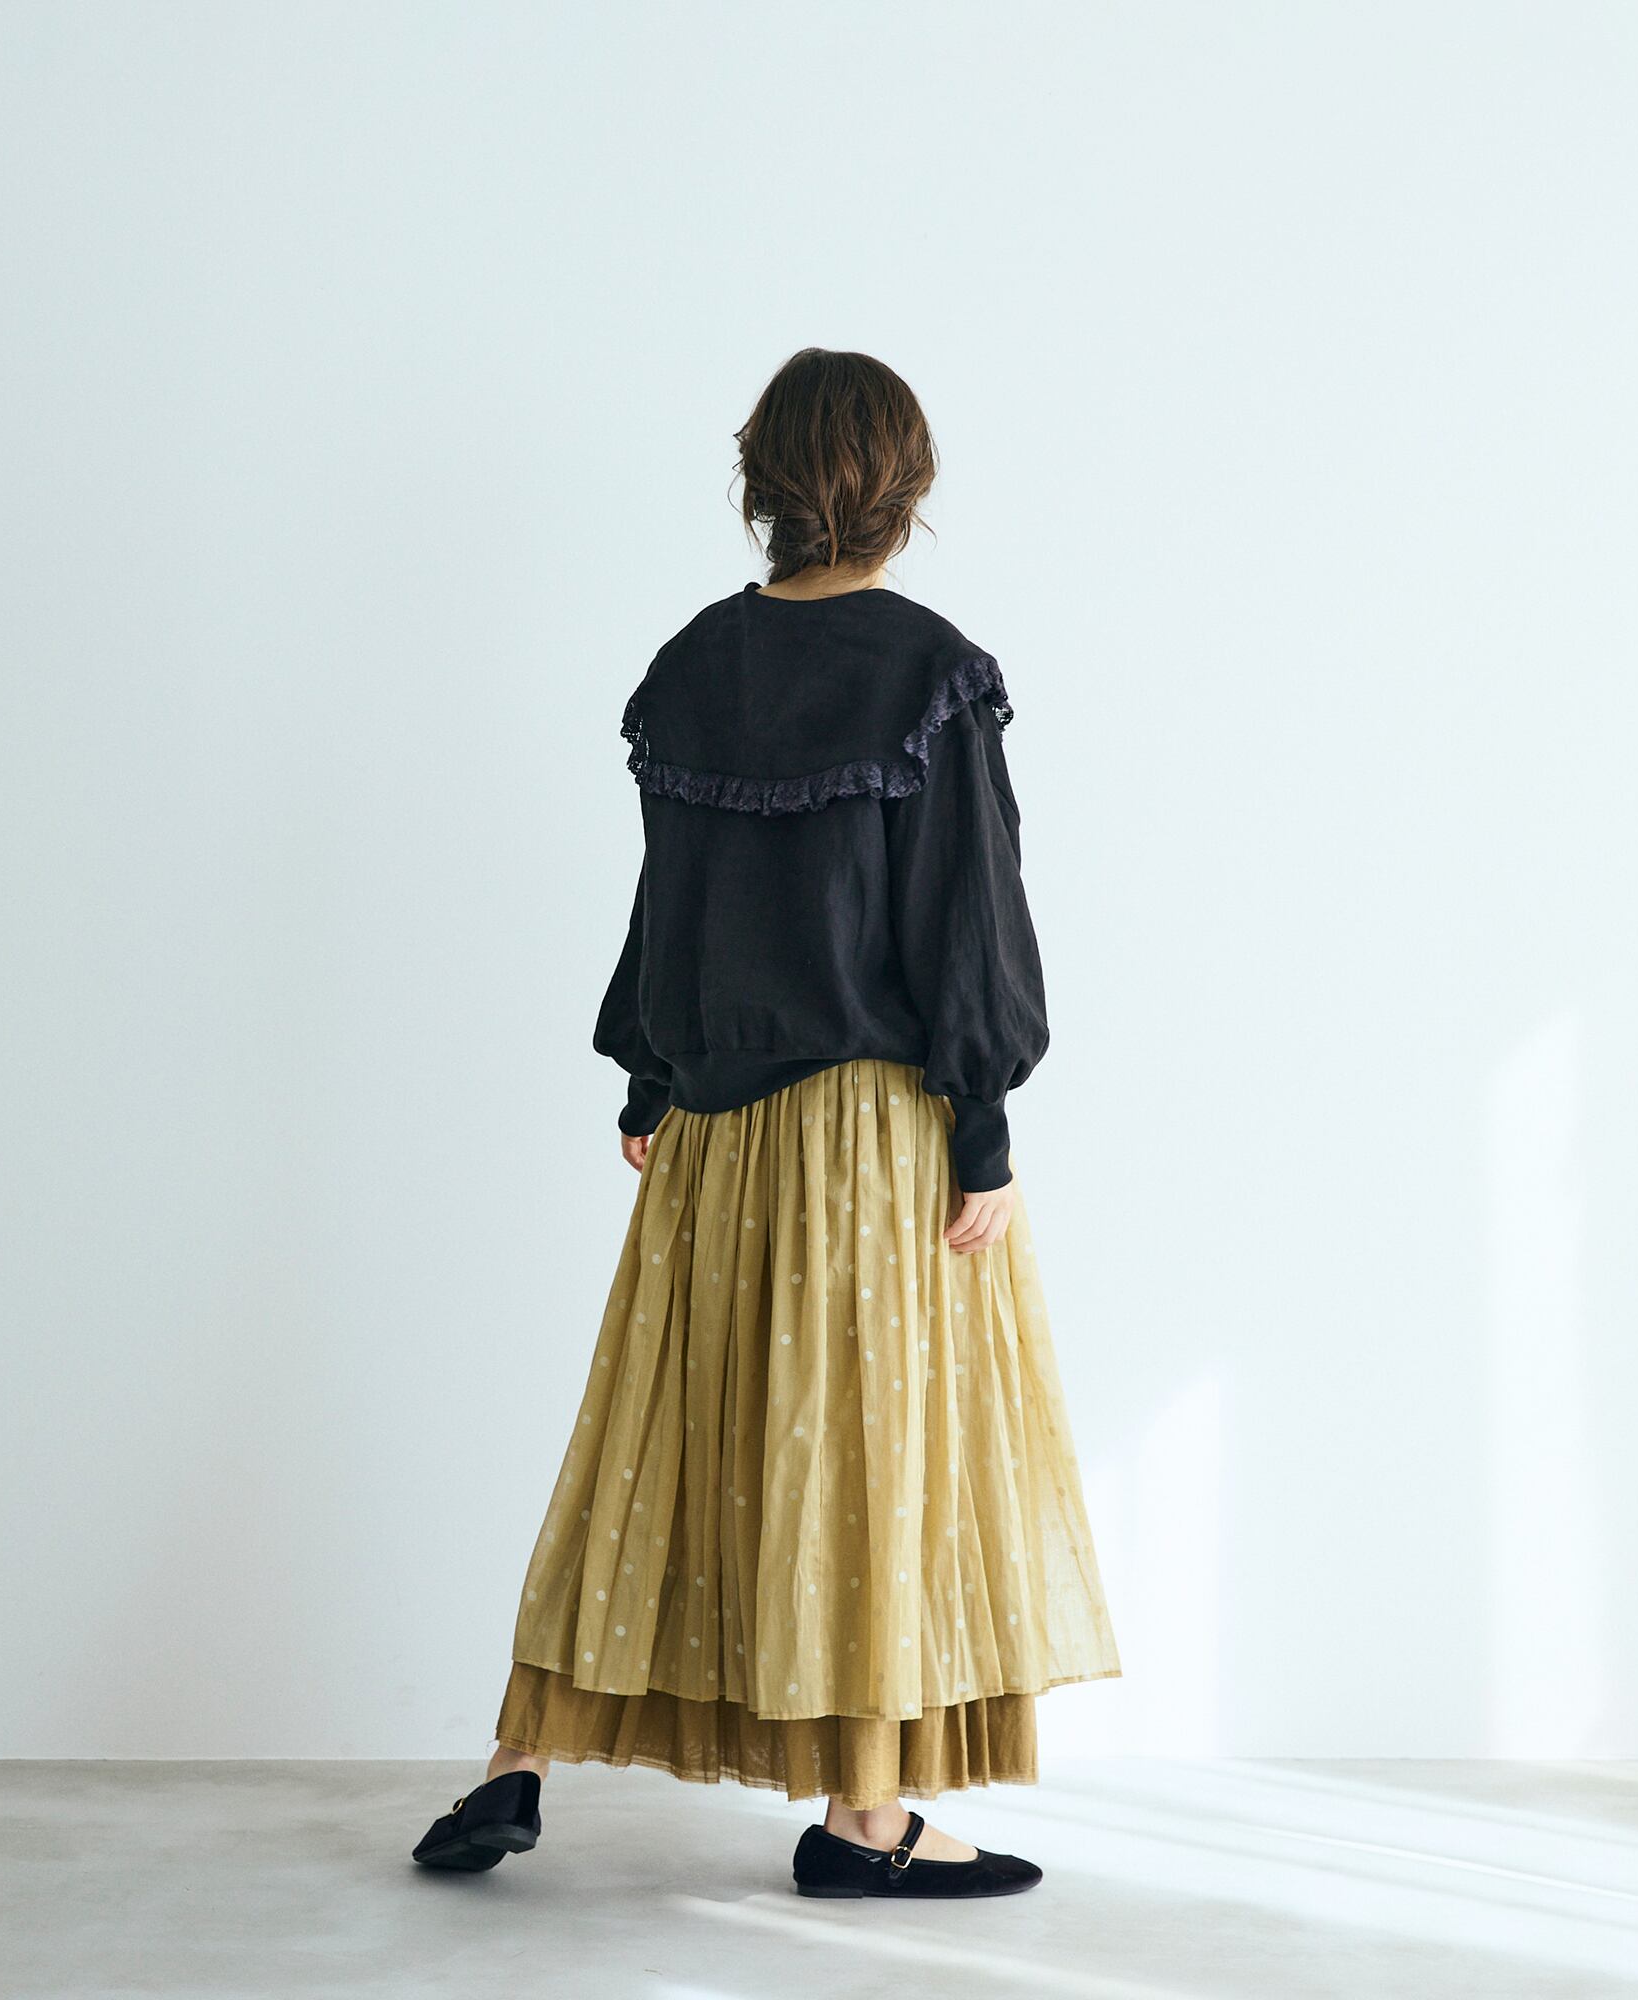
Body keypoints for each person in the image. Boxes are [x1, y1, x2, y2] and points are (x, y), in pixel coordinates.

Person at [412, 348, 1120, 1899]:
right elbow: (966, 918)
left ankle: (513, 1762)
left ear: (762, 488)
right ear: (906, 488)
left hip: (718, 1130)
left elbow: (673, 898)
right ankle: (866, 1824)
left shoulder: (692, 665)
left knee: (655, 1445)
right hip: (875, 1137)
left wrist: (648, 1078)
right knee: (864, 1466)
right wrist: (983, 1131)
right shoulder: (934, 673)